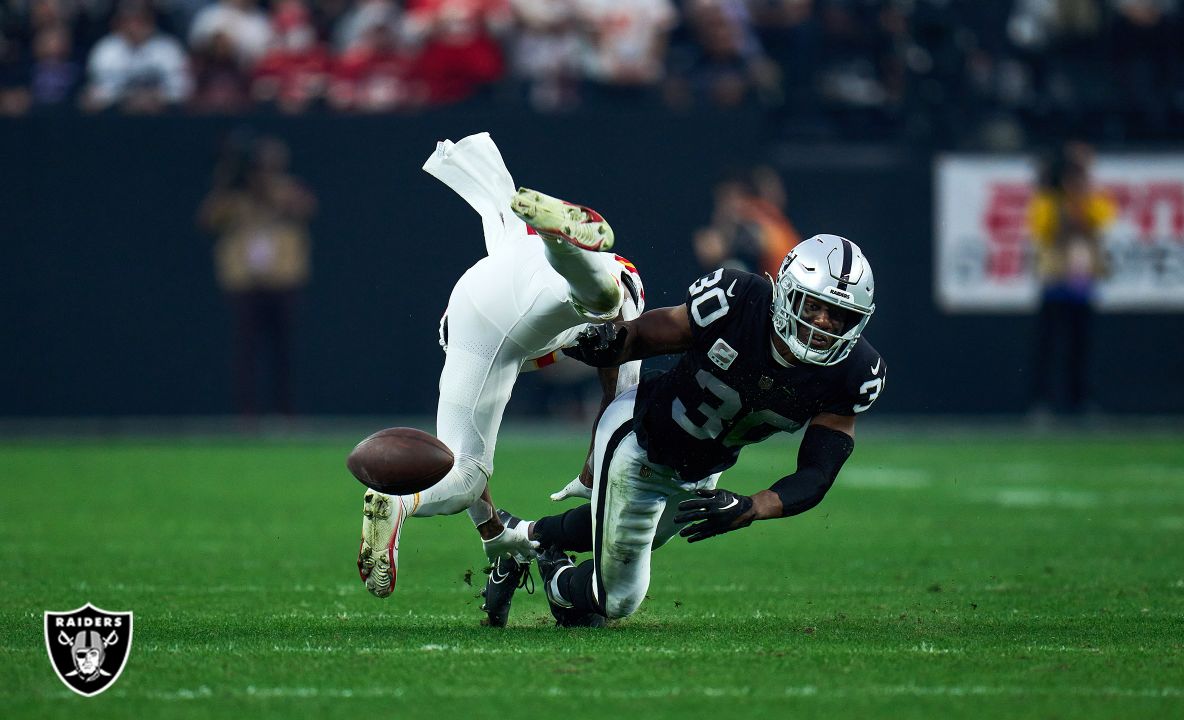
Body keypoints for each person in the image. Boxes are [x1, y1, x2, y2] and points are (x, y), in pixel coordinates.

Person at [508, 234, 886, 626]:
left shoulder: (854, 373)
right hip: (641, 436)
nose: (824, 322)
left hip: (704, 466)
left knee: (625, 531)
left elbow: (817, 473)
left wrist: (750, 507)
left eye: (839, 315)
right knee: (617, 598)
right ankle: (554, 572)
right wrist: (607, 342)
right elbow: (644, 335)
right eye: (814, 305)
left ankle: (523, 538)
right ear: (788, 290)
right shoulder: (741, 300)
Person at [356, 133, 646, 629]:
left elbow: (498, 197)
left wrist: (494, 532)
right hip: (549, 294)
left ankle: (397, 502)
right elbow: (618, 412)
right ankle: (569, 243)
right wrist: (590, 475)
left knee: (465, 476)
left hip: (469, 306)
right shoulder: (627, 308)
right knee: (601, 300)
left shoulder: (514, 235)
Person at [199, 134, 316, 418]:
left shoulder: (286, 189)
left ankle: (285, 411)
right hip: (245, 281)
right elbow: (208, 219)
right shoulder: (233, 196)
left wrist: (269, 188)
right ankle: (246, 413)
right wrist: (228, 180)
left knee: (284, 350)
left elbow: (306, 207)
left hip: (282, 278)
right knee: (246, 350)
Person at [1027, 142, 1115, 415]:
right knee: (1049, 345)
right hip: (1055, 279)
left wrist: (1083, 196)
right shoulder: (1049, 203)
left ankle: (1081, 399)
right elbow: (1039, 228)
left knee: (1081, 344)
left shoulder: (1090, 200)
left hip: (1081, 282)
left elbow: (1106, 217)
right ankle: (1044, 400)